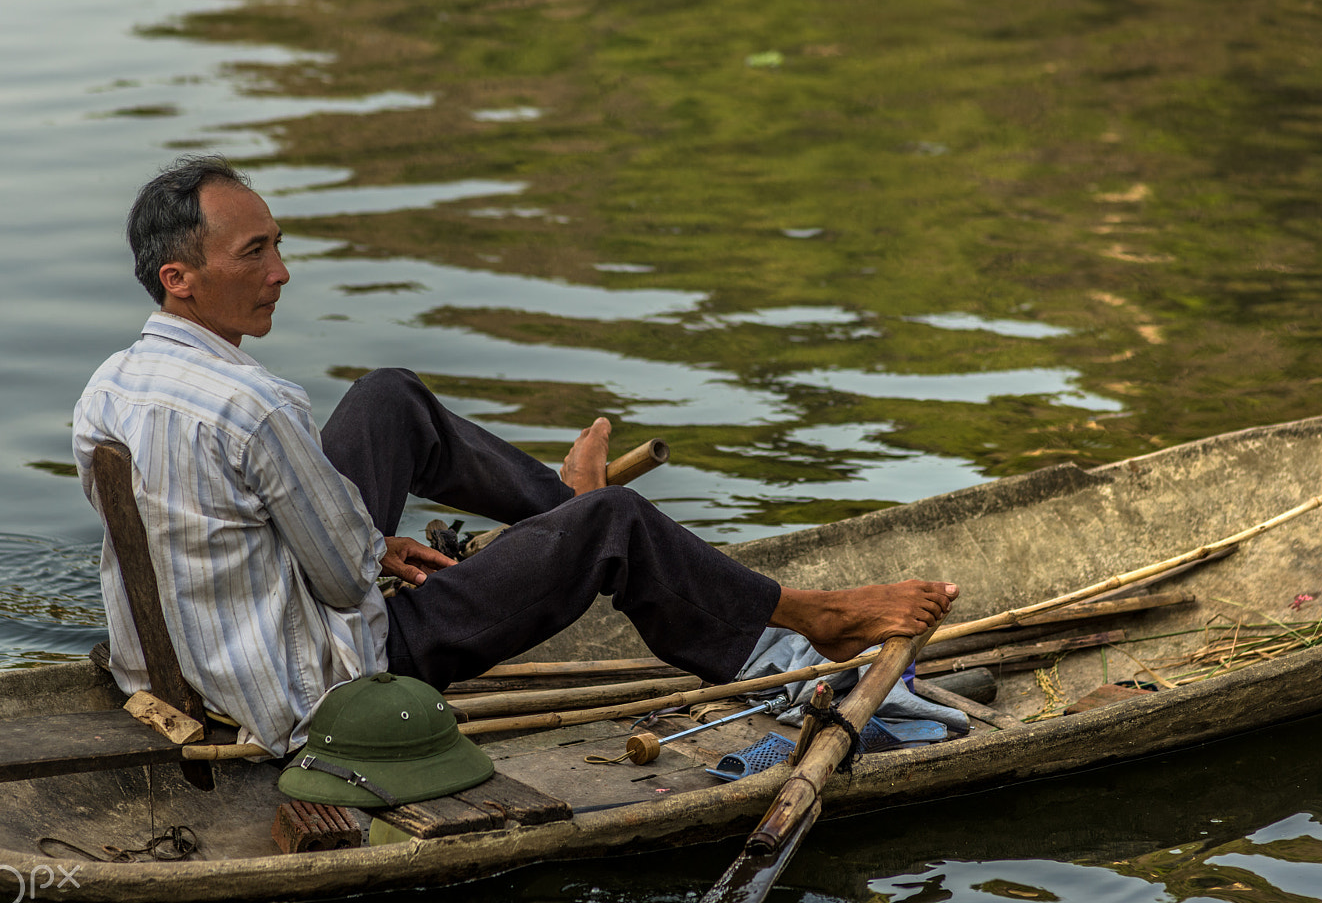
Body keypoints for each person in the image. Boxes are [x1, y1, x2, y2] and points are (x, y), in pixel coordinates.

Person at [73, 155, 959, 756]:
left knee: (388, 398)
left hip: (170, 664)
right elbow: (344, 586)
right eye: (255, 252)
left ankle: (555, 507)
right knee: (616, 523)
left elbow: (202, 525)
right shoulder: (257, 405)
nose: (282, 272)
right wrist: (365, 545)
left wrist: (372, 540)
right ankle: (807, 614)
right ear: (177, 280)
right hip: (317, 689)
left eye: (278, 245)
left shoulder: (107, 388)